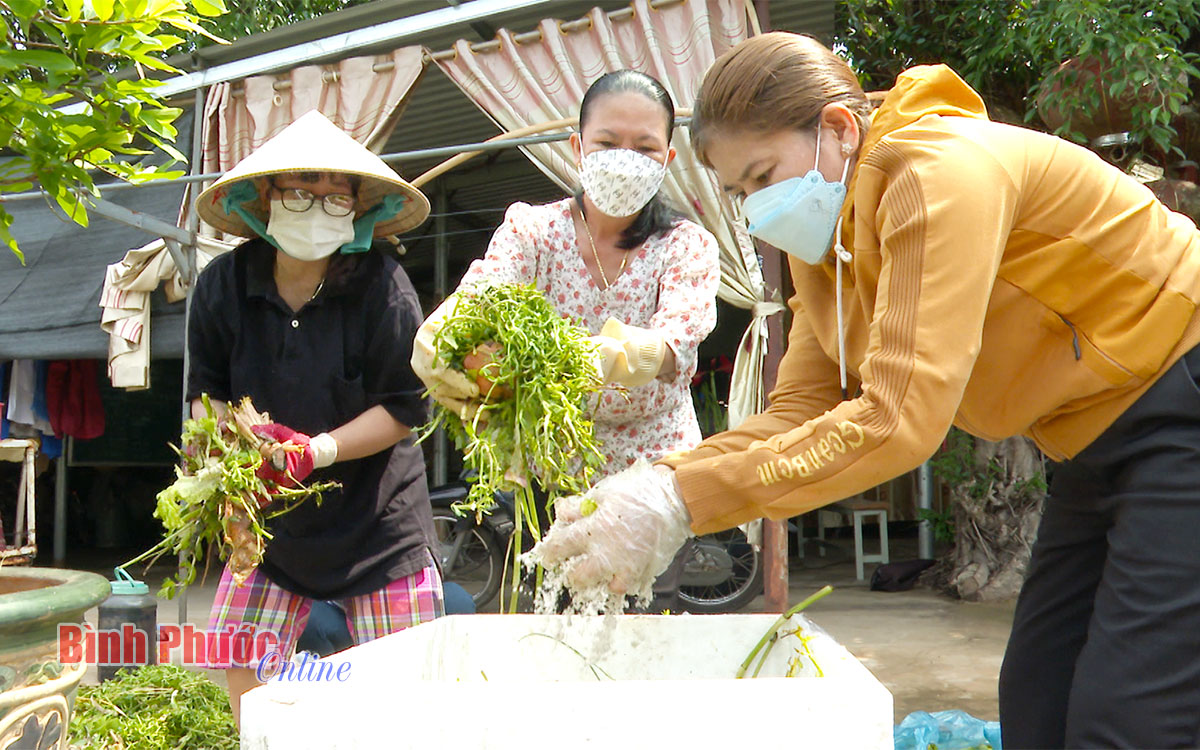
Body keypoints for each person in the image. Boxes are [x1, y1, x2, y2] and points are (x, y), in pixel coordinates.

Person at [535, 32, 1200, 749]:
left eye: (762, 176)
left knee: (1130, 720)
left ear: (838, 130)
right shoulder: (826, 242)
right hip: (1084, 442)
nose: (757, 208)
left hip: (1178, 396)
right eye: (739, 193)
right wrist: (658, 482)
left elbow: (897, 423)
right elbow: (799, 410)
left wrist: (682, 504)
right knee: (1036, 700)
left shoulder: (937, 173)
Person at [411, 69, 721, 610]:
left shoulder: (686, 245)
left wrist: (615, 356)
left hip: (651, 476)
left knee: (643, 619)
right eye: (607, 142)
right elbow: (480, 298)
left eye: (645, 147)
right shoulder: (533, 231)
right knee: (554, 620)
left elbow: (678, 334)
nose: (625, 157)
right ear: (578, 147)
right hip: (552, 470)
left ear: (668, 160)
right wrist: (446, 338)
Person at [191, 110, 442, 725]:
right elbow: (208, 394)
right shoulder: (224, 285)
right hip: (272, 522)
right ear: (263, 198)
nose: (317, 207)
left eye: (337, 198)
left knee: (403, 693)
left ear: (359, 212)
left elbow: (403, 407)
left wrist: (316, 451)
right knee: (241, 663)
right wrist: (236, 457)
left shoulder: (383, 287)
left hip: (378, 525)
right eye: (300, 191)